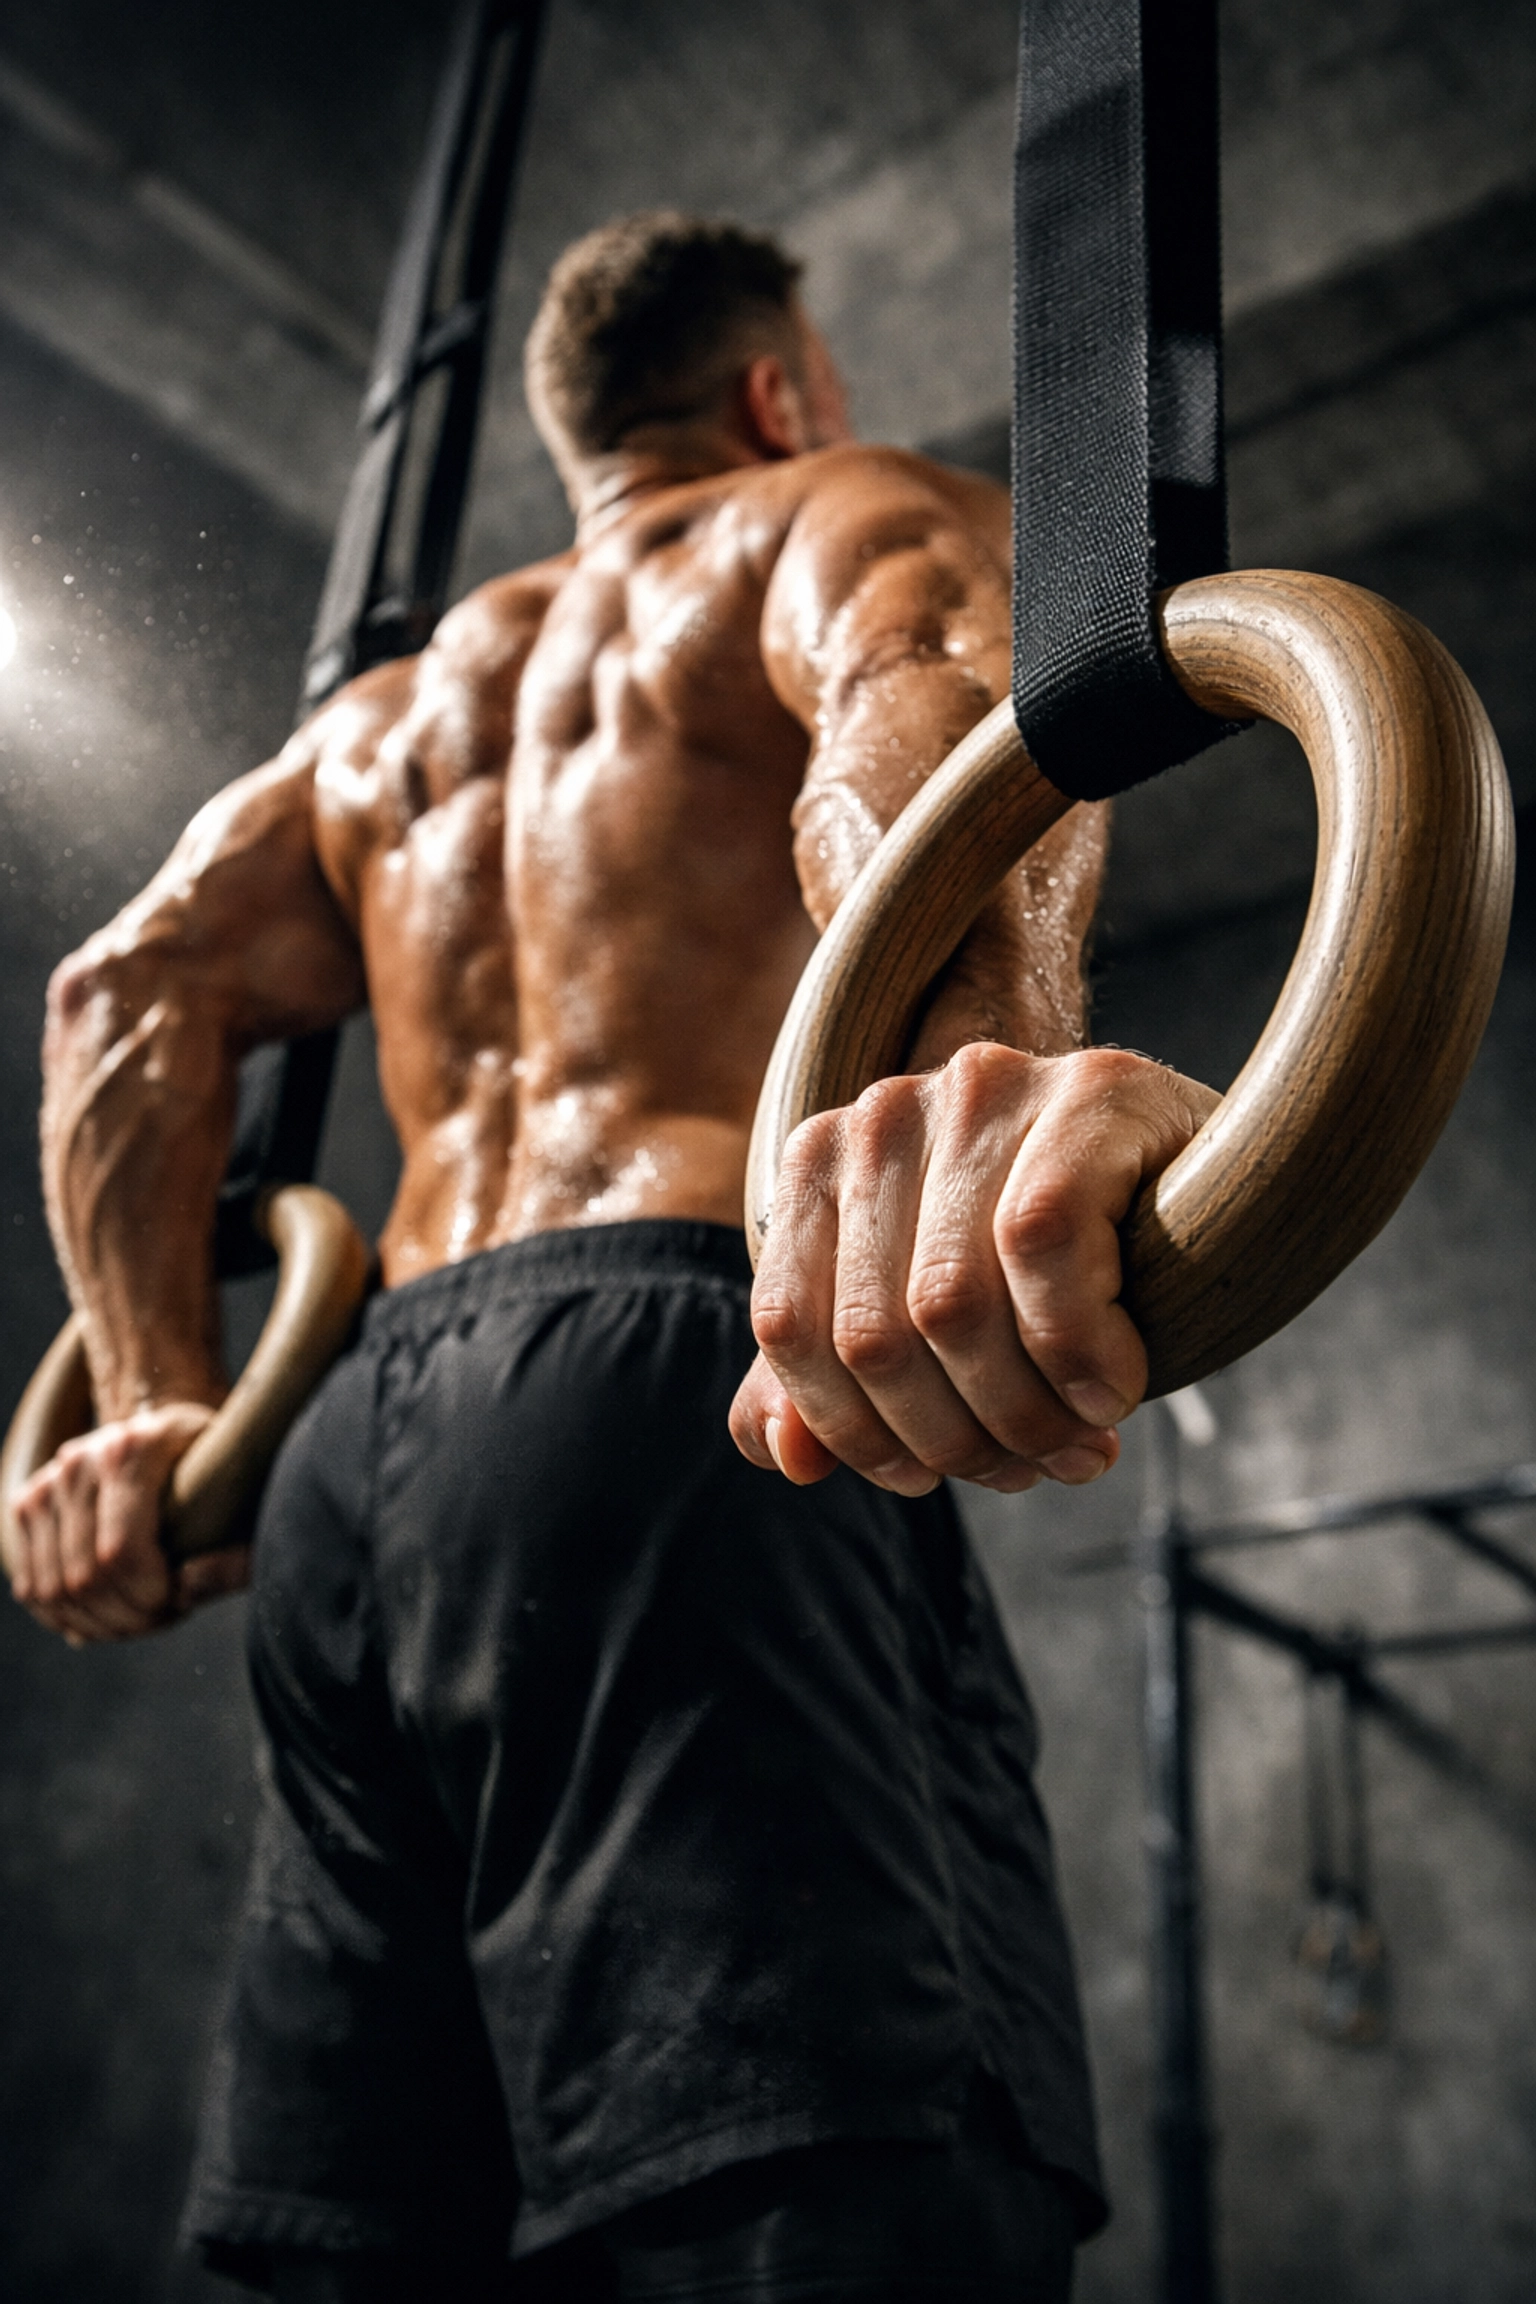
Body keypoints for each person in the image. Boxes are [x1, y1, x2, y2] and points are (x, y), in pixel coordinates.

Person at [6, 215, 1215, 2301]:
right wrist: (983, 1071)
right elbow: (909, 715)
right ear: (776, 390)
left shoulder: (393, 720)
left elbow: (119, 1000)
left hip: (353, 1463)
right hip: (672, 1388)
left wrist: (151, 1405)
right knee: (840, 2189)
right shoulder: (828, 512)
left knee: (378, 2233)